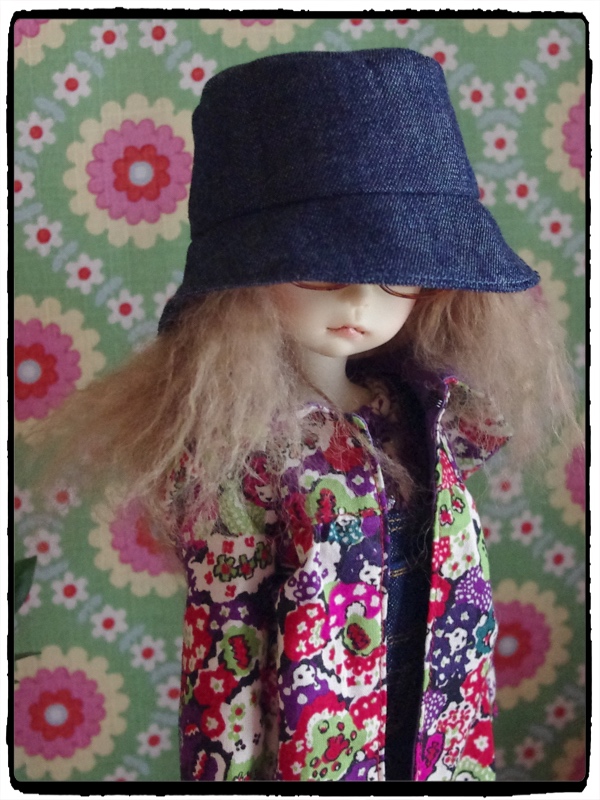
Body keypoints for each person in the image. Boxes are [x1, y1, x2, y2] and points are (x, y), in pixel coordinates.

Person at [38, 48, 577, 781]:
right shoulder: (246, 449)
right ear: (246, 277)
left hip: (438, 740)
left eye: (399, 276)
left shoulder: (421, 411)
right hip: (314, 753)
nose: (359, 302)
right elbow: (225, 644)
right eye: (320, 270)